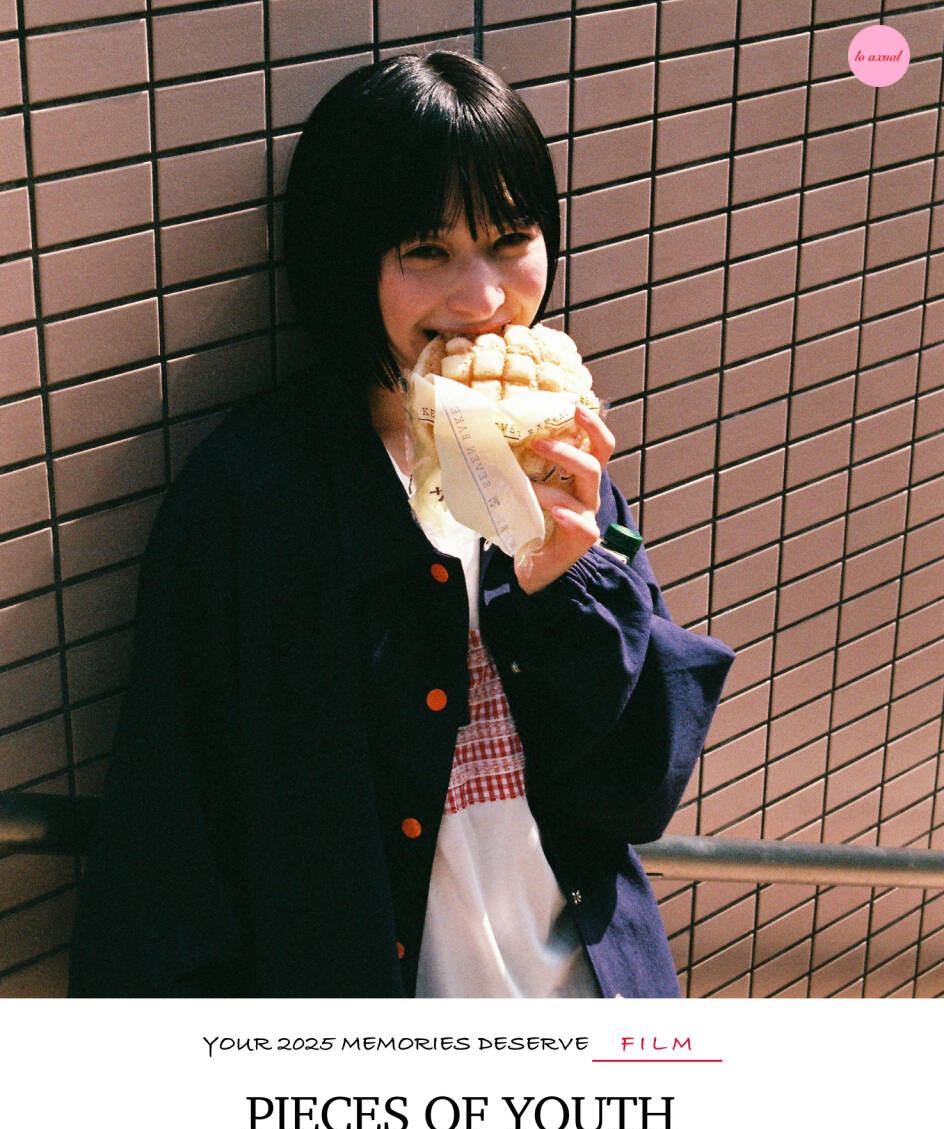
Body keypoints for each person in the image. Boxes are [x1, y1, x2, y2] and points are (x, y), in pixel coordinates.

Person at [68, 51, 734, 999]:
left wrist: (567, 588)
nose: (483, 299)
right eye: (426, 251)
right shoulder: (254, 497)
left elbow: (635, 791)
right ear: (349, 260)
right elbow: (170, 844)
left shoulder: (559, 461)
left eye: (511, 239)